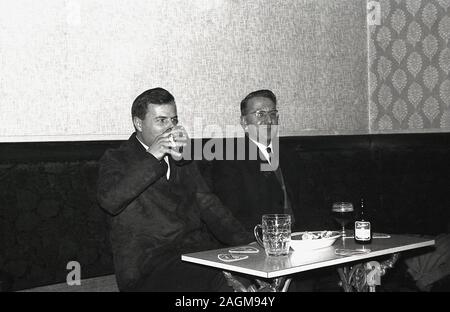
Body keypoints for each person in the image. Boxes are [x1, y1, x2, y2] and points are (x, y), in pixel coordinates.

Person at [96, 87, 253, 292]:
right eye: (161, 120)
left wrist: (249, 244)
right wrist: (152, 157)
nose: (170, 128)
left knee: (246, 274)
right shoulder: (117, 158)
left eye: (174, 120)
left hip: (192, 255)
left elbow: (209, 205)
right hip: (147, 266)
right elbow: (110, 201)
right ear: (138, 123)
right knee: (221, 281)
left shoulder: (181, 158)